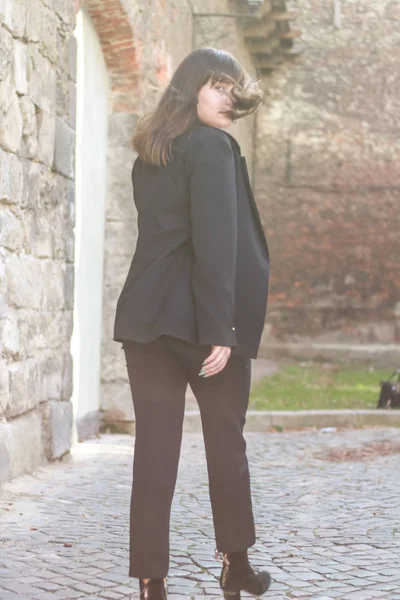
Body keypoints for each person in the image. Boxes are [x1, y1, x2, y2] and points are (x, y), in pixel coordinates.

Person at [113, 47, 271, 600]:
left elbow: (165, 244)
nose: (229, 100)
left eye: (233, 90)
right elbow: (216, 244)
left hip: (145, 321)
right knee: (225, 446)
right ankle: (237, 567)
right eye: (218, 87)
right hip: (203, 327)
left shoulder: (149, 152)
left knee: (154, 453)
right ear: (190, 87)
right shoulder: (213, 148)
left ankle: (151, 584)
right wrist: (222, 328)